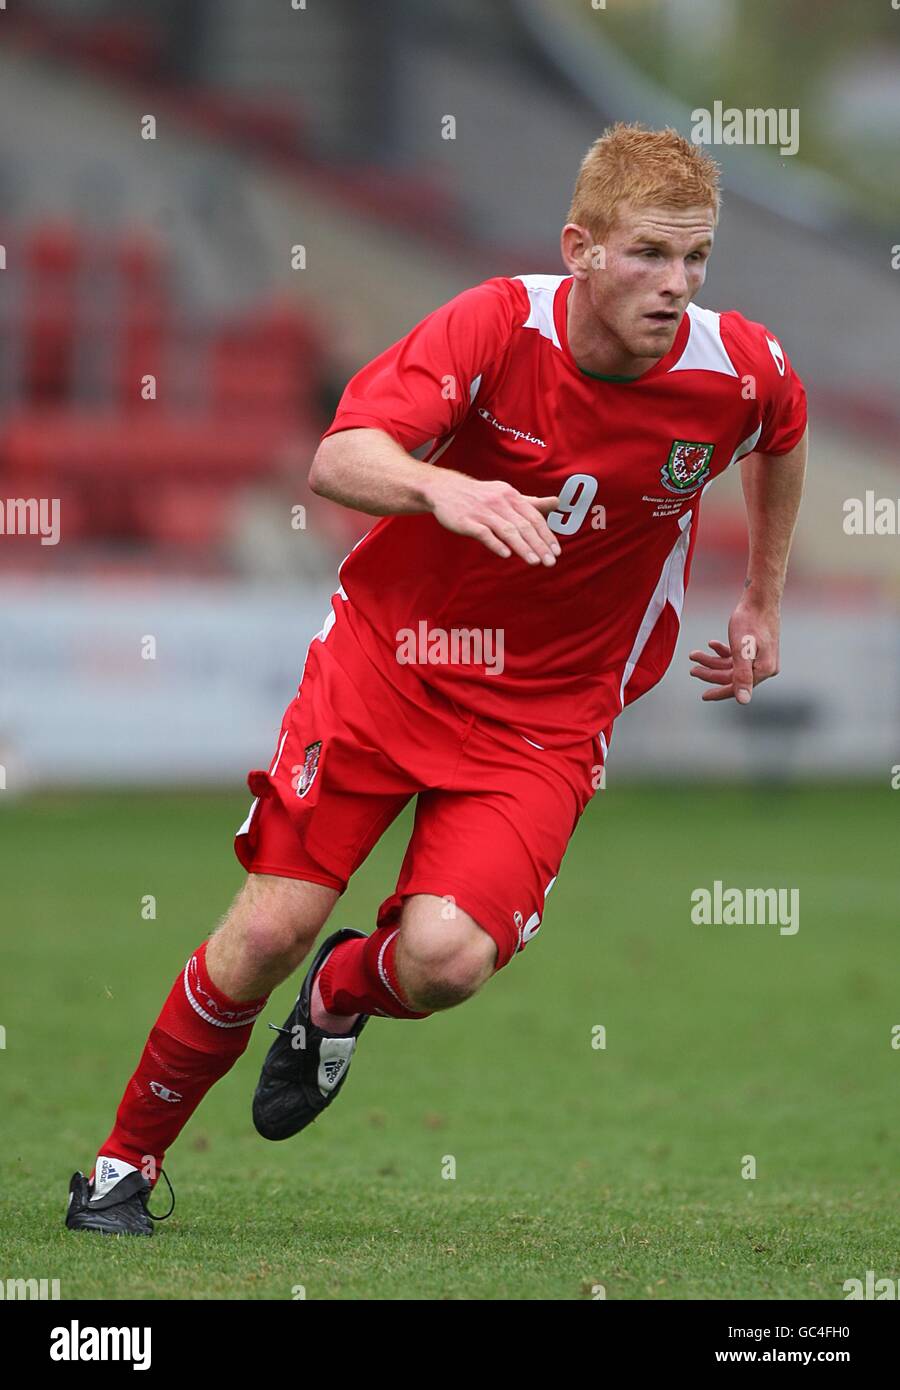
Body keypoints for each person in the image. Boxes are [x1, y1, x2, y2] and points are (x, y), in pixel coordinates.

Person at [66, 123, 807, 1236]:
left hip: (550, 714)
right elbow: (339, 456)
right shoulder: (496, 326)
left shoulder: (732, 366)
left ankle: (338, 998)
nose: (677, 284)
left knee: (447, 960)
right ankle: (121, 1166)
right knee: (269, 928)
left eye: (696, 257)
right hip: (392, 662)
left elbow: (784, 429)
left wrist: (763, 595)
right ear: (582, 248)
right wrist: (439, 489)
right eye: (650, 253)